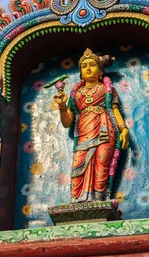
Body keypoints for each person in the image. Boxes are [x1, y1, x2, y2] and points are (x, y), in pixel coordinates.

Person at [54, 48, 129, 202]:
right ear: (81, 72)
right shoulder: (77, 93)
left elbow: (113, 109)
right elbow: (68, 122)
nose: (88, 68)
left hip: (104, 130)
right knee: (78, 165)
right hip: (83, 132)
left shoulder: (106, 89)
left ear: (101, 71)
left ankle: (98, 201)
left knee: (102, 164)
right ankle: (77, 200)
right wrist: (62, 107)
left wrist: (124, 129)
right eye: (84, 66)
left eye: (92, 65)